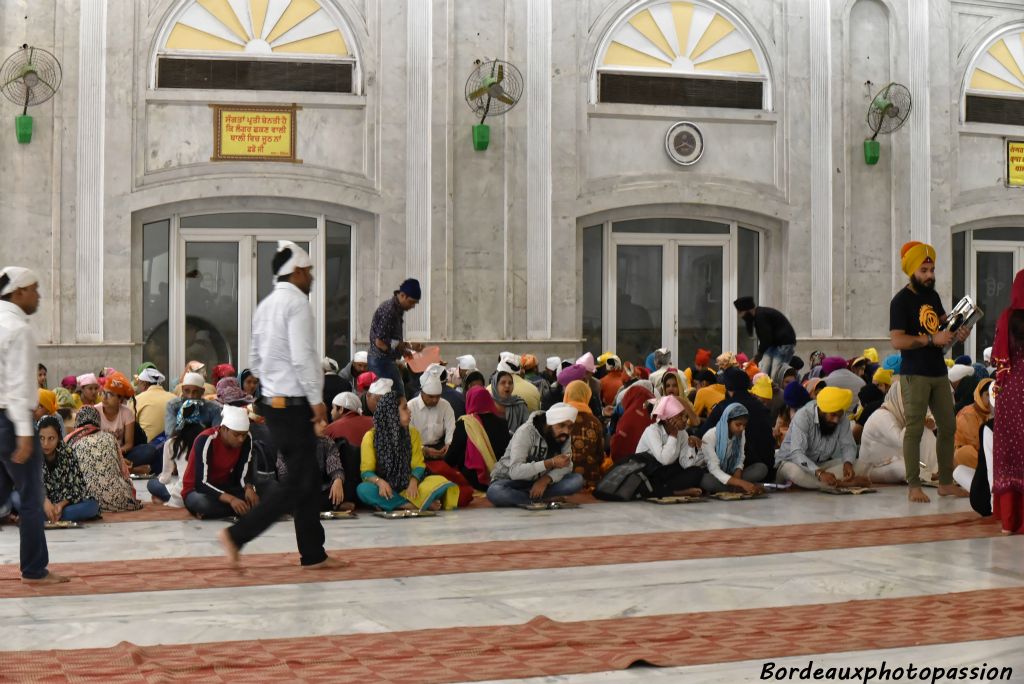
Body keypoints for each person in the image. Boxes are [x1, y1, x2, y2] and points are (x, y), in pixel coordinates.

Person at [220, 241, 339, 569]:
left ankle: (314, 554)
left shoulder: (266, 305)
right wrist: (316, 401)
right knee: (298, 483)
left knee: (306, 479)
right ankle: (237, 535)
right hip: (294, 404)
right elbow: (302, 356)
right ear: (298, 271)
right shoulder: (298, 304)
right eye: (310, 271)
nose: (312, 277)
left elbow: (255, 360)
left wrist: (271, 387)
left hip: (274, 403)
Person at [0, 267, 68, 584]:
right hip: (11, 423)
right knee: (30, 499)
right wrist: (25, 434)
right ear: (18, 292)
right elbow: (16, 387)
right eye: (34, 288)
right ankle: (35, 570)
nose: (38, 295)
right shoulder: (18, 328)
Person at [889, 241, 970, 503]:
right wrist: (929, 340)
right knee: (914, 429)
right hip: (916, 373)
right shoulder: (900, 301)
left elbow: (942, 331)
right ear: (912, 270)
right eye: (924, 270)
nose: (930, 275)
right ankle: (914, 485)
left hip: (938, 371)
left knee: (948, 426)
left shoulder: (932, 297)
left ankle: (945, 482)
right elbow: (897, 341)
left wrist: (958, 333)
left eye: (932, 269)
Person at [358, 391, 458, 511]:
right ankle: (409, 505)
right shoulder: (371, 437)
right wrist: (380, 482)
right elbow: (366, 472)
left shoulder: (412, 433)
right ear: (392, 413)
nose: (409, 411)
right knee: (363, 489)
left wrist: (413, 481)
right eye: (405, 408)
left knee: (439, 481)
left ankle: (393, 503)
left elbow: (419, 465)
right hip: (386, 487)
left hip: (410, 484)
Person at [486, 403, 583, 507]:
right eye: (562, 425)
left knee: (576, 480)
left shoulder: (564, 436)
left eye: (570, 427)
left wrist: (545, 480)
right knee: (495, 492)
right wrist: (550, 463)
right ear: (549, 423)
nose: (566, 431)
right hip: (513, 481)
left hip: (541, 482)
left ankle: (526, 499)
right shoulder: (526, 432)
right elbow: (515, 471)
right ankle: (540, 499)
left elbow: (567, 465)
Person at [991, 269, 1024, 533]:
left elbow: (997, 359)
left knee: (1011, 452)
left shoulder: (1006, 318)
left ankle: (1010, 521)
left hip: (1011, 393)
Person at [774, 387, 858, 490]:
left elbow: (848, 445)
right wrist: (820, 473)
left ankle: (823, 483)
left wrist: (848, 463)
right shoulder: (803, 415)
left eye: (839, 416)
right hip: (790, 463)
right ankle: (840, 484)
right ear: (822, 410)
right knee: (795, 473)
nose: (836, 420)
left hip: (819, 465)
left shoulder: (841, 416)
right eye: (833, 415)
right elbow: (797, 453)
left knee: (858, 464)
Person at [857, 378, 938, 484]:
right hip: (874, 468)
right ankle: (928, 475)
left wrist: (928, 420)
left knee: (925, 430)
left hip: (898, 458)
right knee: (902, 469)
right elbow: (902, 442)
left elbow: (932, 421)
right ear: (898, 397)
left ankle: (935, 469)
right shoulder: (881, 417)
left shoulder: (899, 414)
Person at [697, 368, 776, 476]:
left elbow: (702, 435)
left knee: (704, 477)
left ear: (728, 388)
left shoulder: (724, 407)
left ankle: (732, 484)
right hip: (762, 469)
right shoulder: (761, 407)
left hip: (732, 469)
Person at [181, 406, 256, 520]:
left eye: (244, 434)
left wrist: (249, 488)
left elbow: (243, 471)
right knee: (202, 503)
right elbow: (201, 483)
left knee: (269, 489)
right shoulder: (206, 439)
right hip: (197, 490)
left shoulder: (247, 438)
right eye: (236, 435)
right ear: (224, 429)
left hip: (226, 487)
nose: (241, 439)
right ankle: (247, 509)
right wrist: (231, 500)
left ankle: (228, 510)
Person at [66, 407, 141, 512]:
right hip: (120, 499)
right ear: (97, 420)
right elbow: (123, 471)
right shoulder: (110, 437)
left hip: (89, 499)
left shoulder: (70, 440)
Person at [32, 415, 100, 522]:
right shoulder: (32, 454)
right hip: (39, 502)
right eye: (41, 438)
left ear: (59, 437)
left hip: (63, 504)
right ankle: (48, 514)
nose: (45, 444)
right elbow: (27, 485)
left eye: (51, 438)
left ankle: (46, 516)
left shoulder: (68, 453)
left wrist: (61, 505)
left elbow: (77, 487)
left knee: (92, 506)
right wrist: (44, 501)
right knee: (15, 498)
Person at [446, 386, 512, 491]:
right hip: (499, 477)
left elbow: (452, 457)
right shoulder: (503, 423)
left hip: (472, 480)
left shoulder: (465, 423)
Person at [637, 396, 705, 497]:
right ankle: (677, 492)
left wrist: (691, 447)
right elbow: (665, 460)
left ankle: (667, 490)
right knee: (651, 481)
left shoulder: (682, 434)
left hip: (665, 474)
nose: (685, 419)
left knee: (696, 471)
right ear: (668, 419)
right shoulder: (652, 431)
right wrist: (673, 435)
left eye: (685, 416)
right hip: (649, 473)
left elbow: (686, 464)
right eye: (680, 416)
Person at [148, 400, 209, 507]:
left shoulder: (172, 443)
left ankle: (165, 499)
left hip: (182, 493)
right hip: (206, 492)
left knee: (152, 483)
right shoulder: (208, 439)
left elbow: (165, 478)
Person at [368, 278, 421, 397]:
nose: (412, 306)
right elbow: (380, 342)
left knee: (396, 396)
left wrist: (405, 349)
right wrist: (399, 352)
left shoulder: (397, 309)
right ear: (402, 295)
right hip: (380, 361)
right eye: (411, 302)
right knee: (395, 397)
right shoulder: (389, 311)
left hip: (384, 360)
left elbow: (390, 340)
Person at [699, 403, 767, 494]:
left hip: (731, 473)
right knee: (705, 480)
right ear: (727, 422)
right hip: (714, 475)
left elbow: (740, 457)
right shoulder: (710, 436)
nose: (742, 428)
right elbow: (714, 469)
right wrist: (741, 483)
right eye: (738, 424)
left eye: (744, 425)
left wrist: (737, 477)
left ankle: (734, 488)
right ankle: (741, 488)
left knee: (761, 468)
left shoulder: (740, 433)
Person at [734, 296, 797, 386]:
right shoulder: (759, 316)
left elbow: (766, 340)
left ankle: (776, 392)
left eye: (740, 312)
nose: (740, 316)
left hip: (784, 344)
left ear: (747, 310)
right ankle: (764, 387)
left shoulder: (761, 316)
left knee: (776, 373)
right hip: (775, 344)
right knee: (764, 370)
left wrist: (756, 358)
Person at [277, 436, 352, 512]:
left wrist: (337, 480)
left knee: (344, 487)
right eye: (318, 423)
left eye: (325, 422)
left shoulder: (326, 441)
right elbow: (284, 475)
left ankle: (330, 503)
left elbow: (334, 464)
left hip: (321, 488)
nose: (324, 424)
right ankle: (334, 505)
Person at [563, 380, 605, 489]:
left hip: (563, 478)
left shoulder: (560, 419)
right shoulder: (595, 422)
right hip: (590, 478)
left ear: (567, 395)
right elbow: (600, 454)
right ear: (587, 396)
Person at [164, 372, 222, 438]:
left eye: (195, 392)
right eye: (187, 391)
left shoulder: (214, 408)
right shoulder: (173, 406)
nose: (190, 396)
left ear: (202, 391)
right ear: (182, 390)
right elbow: (170, 435)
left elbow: (216, 436)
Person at [954, 378, 994, 470]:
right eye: (988, 395)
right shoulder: (968, 413)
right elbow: (977, 443)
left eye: (994, 395)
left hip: (986, 454)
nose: (991, 398)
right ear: (979, 396)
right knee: (966, 452)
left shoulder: (992, 413)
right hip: (967, 456)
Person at [134, 367, 175, 443]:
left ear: (144, 384)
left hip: (147, 449)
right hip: (171, 447)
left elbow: (129, 424)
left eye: (139, 383)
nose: (138, 386)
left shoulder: (137, 399)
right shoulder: (174, 397)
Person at [491, 370, 530, 435]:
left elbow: (527, 429)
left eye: (510, 383)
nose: (507, 386)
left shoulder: (520, 405)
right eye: (503, 383)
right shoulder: (488, 403)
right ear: (495, 385)